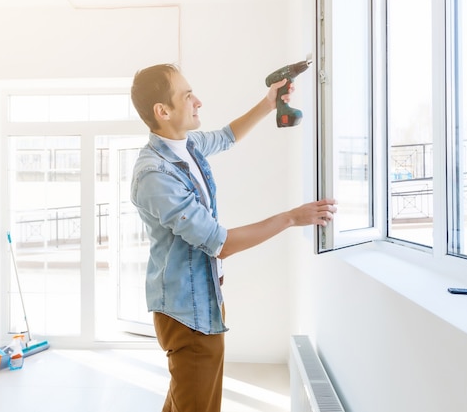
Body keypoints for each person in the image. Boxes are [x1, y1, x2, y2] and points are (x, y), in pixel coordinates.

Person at [130, 63, 337, 412]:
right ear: (162, 111)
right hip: (186, 313)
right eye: (187, 96)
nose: (199, 101)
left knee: (184, 401)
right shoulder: (155, 175)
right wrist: (290, 217)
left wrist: (269, 103)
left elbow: (226, 136)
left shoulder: (187, 144)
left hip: (204, 298)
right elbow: (219, 241)